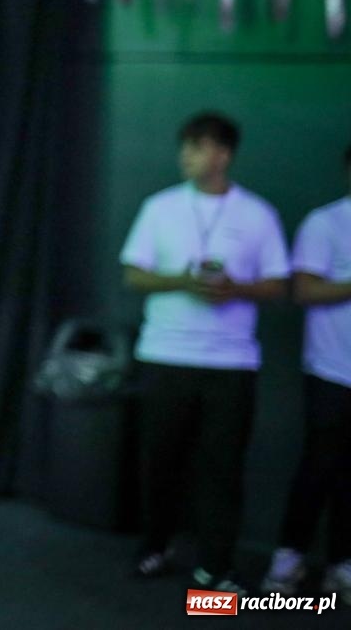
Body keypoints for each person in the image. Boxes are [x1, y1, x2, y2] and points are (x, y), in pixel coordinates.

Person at [121, 111, 290, 594]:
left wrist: (236, 288)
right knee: (160, 461)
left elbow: (278, 284)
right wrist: (182, 281)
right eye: (185, 147)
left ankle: (214, 570)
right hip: (165, 356)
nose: (186, 156)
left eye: (197, 147)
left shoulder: (258, 214)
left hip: (231, 364)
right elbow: (133, 274)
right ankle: (154, 547)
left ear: (223, 155)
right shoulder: (159, 207)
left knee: (223, 470)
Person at [259, 144, 351, 602]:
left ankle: (343, 565)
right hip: (331, 370)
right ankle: (287, 561)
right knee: (319, 466)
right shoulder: (325, 223)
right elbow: (305, 290)